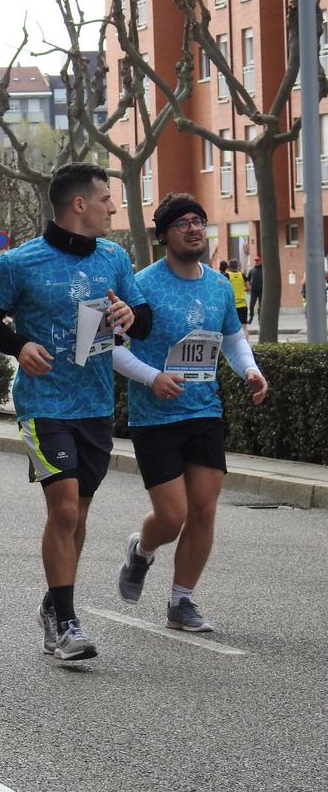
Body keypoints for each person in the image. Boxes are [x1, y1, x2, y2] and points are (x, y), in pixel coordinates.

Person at [0, 162, 152, 662]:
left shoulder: (115, 258)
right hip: (43, 402)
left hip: (94, 402)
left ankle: (55, 603)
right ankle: (68, 624)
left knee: (81, 513)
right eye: (106, 199)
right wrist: (19, 345)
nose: (113, 207)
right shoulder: (20, 263)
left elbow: (143, 321)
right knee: (65, 508)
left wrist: (130, 316)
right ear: (80, 205)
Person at [112, 194, 268, 633]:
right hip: (155, 416)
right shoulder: (140, 286)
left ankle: (182, 601)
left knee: (203, 509)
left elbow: (233, 339)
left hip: (204, 410)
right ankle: (141, 550)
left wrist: (251, 371)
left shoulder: (218, 285)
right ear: (163, 235)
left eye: (199, 221)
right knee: (172, 515)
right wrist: (152, 378)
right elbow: (114, 351)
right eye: (182, 223)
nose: (194, 229)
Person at [227, 258, 248, 328]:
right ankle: (245, 339)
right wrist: (243, 289)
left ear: (229, 267)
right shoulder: (242, 275)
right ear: (237, 266)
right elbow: (249, 288)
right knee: (244, 327)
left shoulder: (227, 276)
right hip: (243, 305)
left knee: (232, 328)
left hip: (232, 306)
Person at [246, 257, 263, 325]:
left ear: (260, 261)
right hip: (254, 291)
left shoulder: (263, 270)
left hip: (262, 291)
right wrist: (249, 287)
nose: (256, 262)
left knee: (261, 306)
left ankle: (260, 318)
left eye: (258, 261)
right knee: (251, 305)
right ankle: (251, 317)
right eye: (255, 261)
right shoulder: (252, 270)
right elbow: (247, 280)